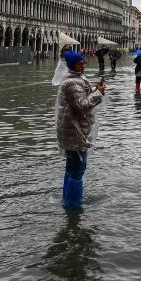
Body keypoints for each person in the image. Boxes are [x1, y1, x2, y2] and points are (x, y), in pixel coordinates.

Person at [55, 51, 106, 210]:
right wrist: (98, 94)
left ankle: (68, 201)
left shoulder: (75, 80)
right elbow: (81, 105)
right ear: (72, 66)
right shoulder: (71, 83)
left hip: (73, 131)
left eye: (84, 62)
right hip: (74, 133)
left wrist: (93, 90)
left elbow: (80, 98)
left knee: (72, 168)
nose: (84, 65)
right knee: (78, 169)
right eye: (80, 63)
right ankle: (73, 205)